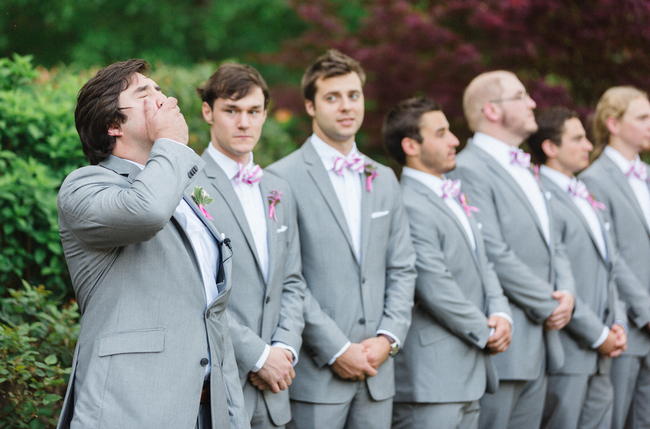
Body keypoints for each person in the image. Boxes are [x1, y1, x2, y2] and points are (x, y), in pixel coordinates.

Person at [56, 59, 247, 429]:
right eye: (145, 94)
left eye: (160, 89)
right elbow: (145, 212)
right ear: (113, 125)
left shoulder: (184, 191)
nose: (165, 99)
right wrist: (171, 144)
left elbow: (211, 309)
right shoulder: (83, 186)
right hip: (129, 405)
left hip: (205, 406)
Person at [267, 49, 416, 429]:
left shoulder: (383, 177)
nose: (346, 106)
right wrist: (336, 348)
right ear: (310, 106)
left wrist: (387, 339)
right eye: (332, 97)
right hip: (316, 377)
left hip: (377, 372)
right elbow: (286, 277)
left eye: (354, 95)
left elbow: (402, 267)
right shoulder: (280, 180)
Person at [448, 70, 576, 429]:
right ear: (492, 110)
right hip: (505, 341)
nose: (532, 102)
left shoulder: (527, 169)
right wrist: (549, 303)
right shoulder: (468, 169)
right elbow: (490, 250)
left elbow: (555, 243)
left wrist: (568, 292)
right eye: (521, 95)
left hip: (540, 342)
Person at [383, 96, 512, 429]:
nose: (455, 140)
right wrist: (486, 330)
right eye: (441, 133)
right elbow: (433, 285)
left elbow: (485, 263)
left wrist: (500, 312)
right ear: (411, 145)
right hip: (431, 379)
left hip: (468, 372)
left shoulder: (454, 194)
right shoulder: (408, 203)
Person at [192, 63, 306, 428]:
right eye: (232, 110)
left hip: (276, 389)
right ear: (208, 112)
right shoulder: (188, 187)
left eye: (253, 112)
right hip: (218, 386)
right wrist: (257, 356)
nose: (244, 123)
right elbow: (197, 291)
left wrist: (284, 350)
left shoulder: (278, 188)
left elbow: (291, 280)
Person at [527, 106, 632, 428]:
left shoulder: (584, 193)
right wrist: (596, 333)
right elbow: (555, 276)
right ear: (550, 148)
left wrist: (617, 322)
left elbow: (610, 266)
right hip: (569, 349)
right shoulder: (540, 196)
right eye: (578, 138)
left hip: (604, 348)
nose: (588, 145)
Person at [580, 86, 650, 429]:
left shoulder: (647, 176)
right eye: (642, 117)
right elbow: (610, 254)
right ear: (613, 123)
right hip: (626, 328)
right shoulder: (592, 179)